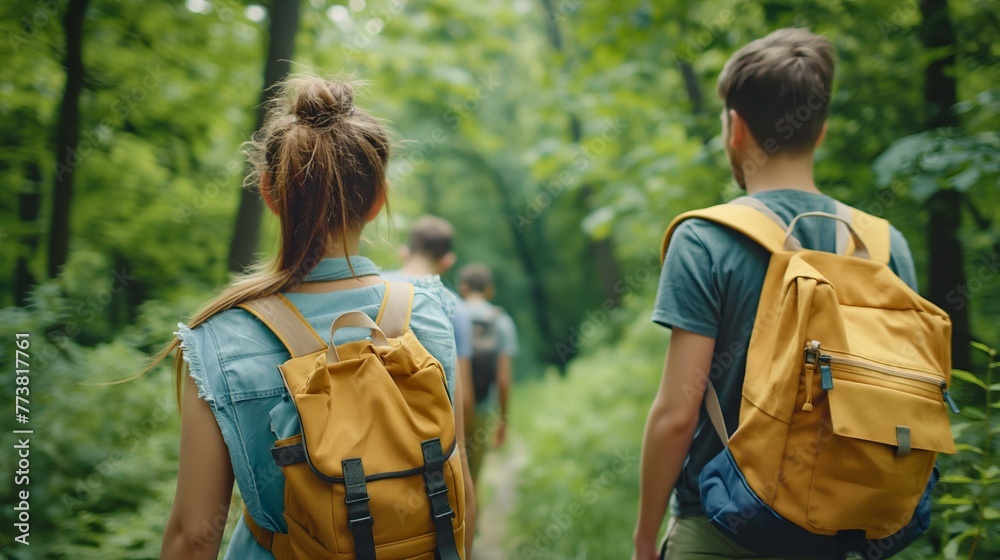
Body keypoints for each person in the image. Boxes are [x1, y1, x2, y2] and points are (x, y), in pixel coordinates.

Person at [156, 75, 474, 559]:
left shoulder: (221, 338)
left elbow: (196, 537)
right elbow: (456, 483)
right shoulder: (430, 308)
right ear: (377, 201)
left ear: (269, 193)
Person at [632, 28, 919, 560]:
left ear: (735, 128)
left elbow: (677, 415)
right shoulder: (884, 245)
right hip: (848, 530)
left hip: (722, 526)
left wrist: (645, 536)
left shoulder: (706, 239)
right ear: (822, 131)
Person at [384, 214, 477, 553]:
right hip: (431, 443)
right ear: (448, 260)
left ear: (404, 251)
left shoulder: (376, 287)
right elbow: (460, 390)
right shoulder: (453, 307)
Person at [457, 263, 518, 487]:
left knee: (451, 481)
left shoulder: (451, 314)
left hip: (451, 410)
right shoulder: (501, 321)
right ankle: (474, 522)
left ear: (462, 288)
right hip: (483, 409)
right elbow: (503, 380)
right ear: (489, 289)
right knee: (472, 481)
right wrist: (503, 421)